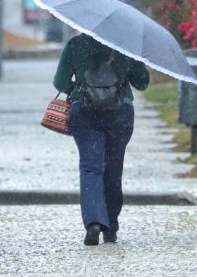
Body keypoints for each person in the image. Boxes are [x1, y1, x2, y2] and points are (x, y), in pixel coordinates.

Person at [53, 33, 149, 246]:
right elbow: (142, 83)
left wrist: (79, 91)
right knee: (114, 168)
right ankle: (111, 227)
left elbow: (59, 82)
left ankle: (94, 221)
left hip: (84, 112)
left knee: (90, 168)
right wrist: (136, 60)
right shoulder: (125, 43)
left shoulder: (76, 44)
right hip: (121, 113)